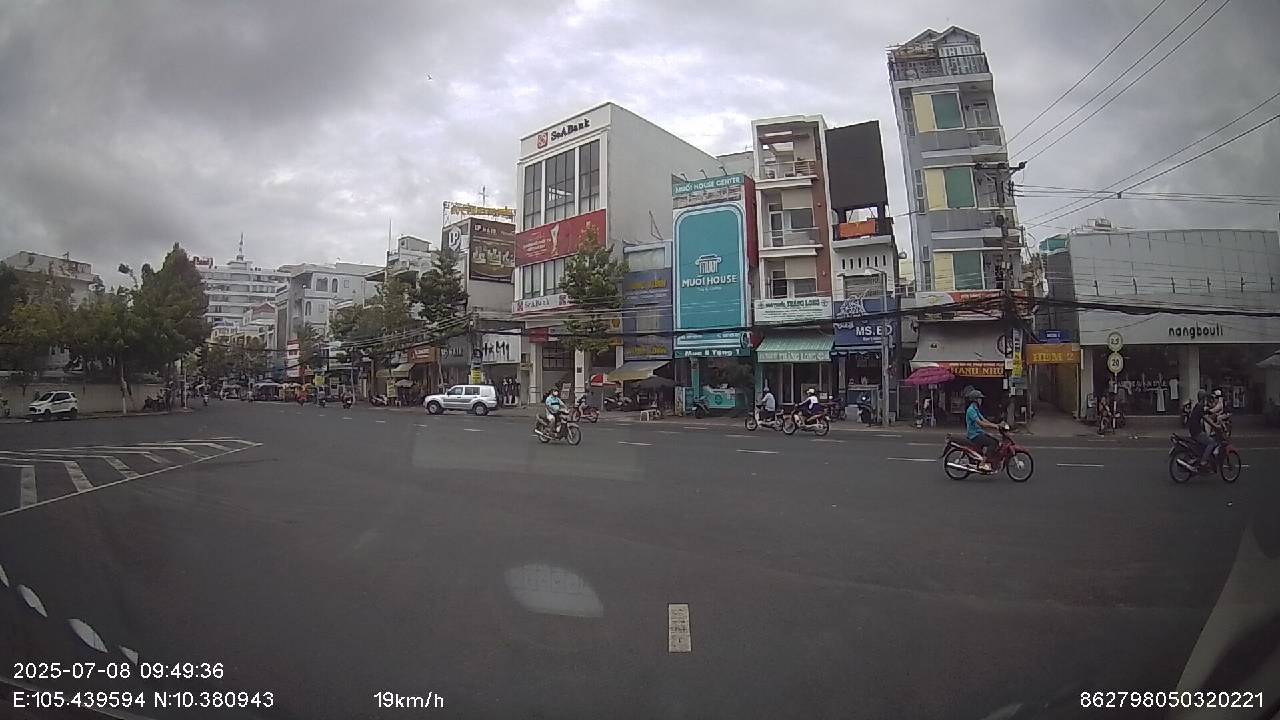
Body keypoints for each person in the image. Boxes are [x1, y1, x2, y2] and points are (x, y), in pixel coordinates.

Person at [964, 389, 1002, 471]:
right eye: (980, 398)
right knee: (993, 443)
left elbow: (984, 420)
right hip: (974, 435)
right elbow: (980, 423)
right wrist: (994, 426)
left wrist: (996, 425)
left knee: (995, 439)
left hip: (979, 433)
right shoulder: (971, 410)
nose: (981, 400)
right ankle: (982, 464)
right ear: (975, 400)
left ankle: (987, 460)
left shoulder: (975, 409)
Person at [1186, 390, 1221, 469]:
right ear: (1203, 398)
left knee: (1206, 439)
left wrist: (1213, 414)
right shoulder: (1200, 407)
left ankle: (1202, 457)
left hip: (1194, 430)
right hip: (1196, 432)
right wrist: (1215, 426)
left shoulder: (1198, 406)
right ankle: (1203, 461)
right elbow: (1206, 419)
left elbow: (1207, 412)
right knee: (1211, 442)